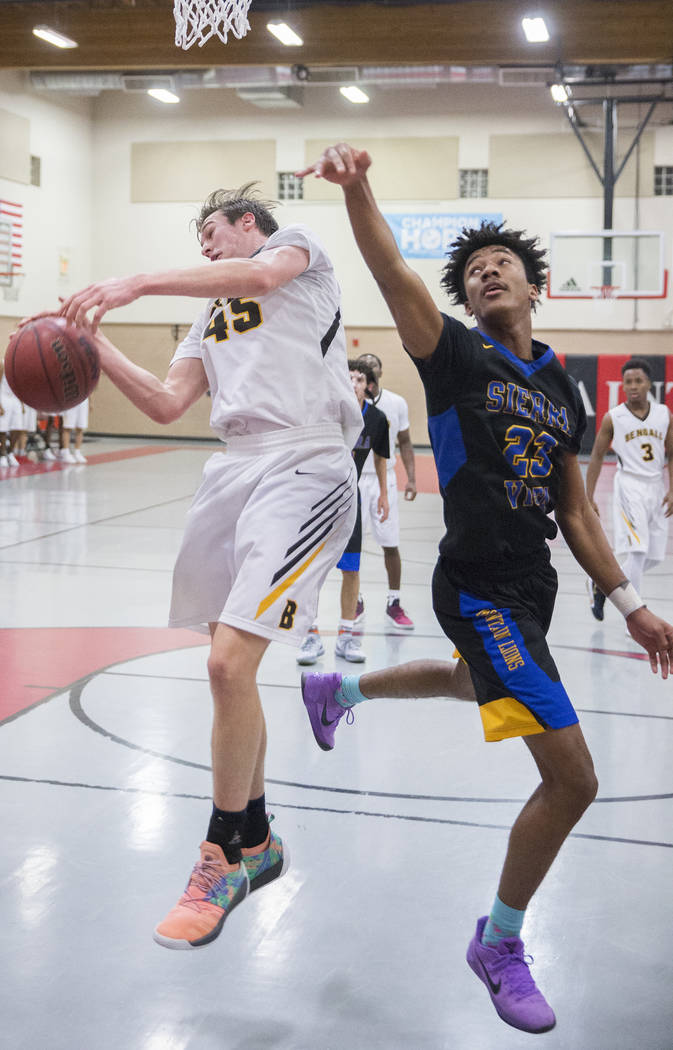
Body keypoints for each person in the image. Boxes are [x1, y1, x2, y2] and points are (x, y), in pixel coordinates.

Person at [297, 143, 673, 1035]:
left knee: (476, 683)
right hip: (473, 585)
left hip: (531, 583)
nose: (487, 271)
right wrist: (359, 191)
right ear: (463, 299)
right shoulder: (453, 356)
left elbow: (578, 514)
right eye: (472, 271)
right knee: (573, 779)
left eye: (501, 261)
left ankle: (338, 686)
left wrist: (632, 606)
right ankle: (497, 940)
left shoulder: (561, 390)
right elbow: (391, 272)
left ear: (532, 284)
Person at [54, 183, 362, 950]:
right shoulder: (207, 316)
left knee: (228, 664)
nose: (206, 246)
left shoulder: (295, 251)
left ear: (248, 223)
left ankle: (223, 853)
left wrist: (134, 283)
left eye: (212, 231)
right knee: (230, 669)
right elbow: (165, 404)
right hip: (234, 471)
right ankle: (256, 840)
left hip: (305, 463)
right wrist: (88, 343)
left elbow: (254, 278)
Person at [297, 360, 389, 665]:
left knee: (351, 568)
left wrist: (385, 495)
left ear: (368, 386)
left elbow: (379, 459)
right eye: (347, 377)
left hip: (351, 497)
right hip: (319, 497)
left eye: (359, 378)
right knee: (311, 569)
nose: (353, 382)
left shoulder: (376, 419)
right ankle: (310, 635)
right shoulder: (326, 412)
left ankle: (346, 637)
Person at [585, 357, 672, 621]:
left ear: (649, 384)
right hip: (629, 487)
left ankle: (599, 584)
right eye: (628, 381)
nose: (633, 386)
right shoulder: (614, 418)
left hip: (656, 487)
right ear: (622, 385)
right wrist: (589, 497)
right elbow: (597, 456)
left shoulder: (664, 415)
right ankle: (634, 615)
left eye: (639, 380)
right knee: (637, 551)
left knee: (654, 556)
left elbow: (672, 454)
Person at [353, 351, 417, 631]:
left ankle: (394, 602)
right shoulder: (348, 402)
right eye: (363, 362)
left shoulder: (395, 403)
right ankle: (354, 601)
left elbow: (405, 442)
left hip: (384, 480)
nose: (368, 364)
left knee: (390, 543)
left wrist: (412, 478)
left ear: (378, 372)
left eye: (373, 362)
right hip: (353, 479)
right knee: (352, 545)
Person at [59, 398, 90, 464]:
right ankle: (66, 452)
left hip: (83, 401)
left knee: (80, 427)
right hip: (71, 398)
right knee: (67, 427)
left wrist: (90, 401)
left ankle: (77, 452)